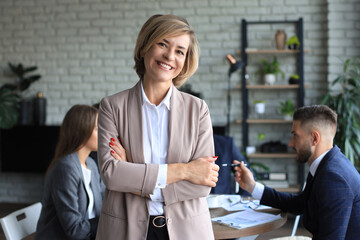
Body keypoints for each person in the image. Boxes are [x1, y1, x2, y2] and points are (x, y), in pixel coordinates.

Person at [96, 14, 219, 240]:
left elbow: (203, 185)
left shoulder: (198, 109)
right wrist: (185, 170)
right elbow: (112, 175)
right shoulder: (112, 107)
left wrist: (133, 173)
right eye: (162, 43)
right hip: (126, 231)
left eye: (180, 51)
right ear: (144, 48)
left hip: (187, 231)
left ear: (185, 61)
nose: (170, 56)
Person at [234, 105, 360, 239]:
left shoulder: (333, 178)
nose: (290, 143)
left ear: (315, 138)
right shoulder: (327, 164)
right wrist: (252, 186)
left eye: (295, 136)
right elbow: (299, 204)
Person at [36, 105, 105, 240]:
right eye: (97, 129)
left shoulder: (90, 164)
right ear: (82, 131)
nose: (103, 133)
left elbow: (104, 201)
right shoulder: (65, 168)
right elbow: (75, 231)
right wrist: (108, 220)